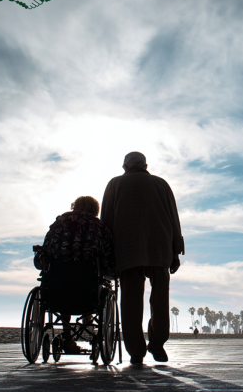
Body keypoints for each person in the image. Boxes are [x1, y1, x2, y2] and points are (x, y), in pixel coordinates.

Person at [101, 152, 184, 365]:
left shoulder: (115, 184)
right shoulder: (161, 184)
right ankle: (157, 343)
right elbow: (173, 217)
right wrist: (176, 249)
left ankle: (136, 350)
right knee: (160, 298)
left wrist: (107, 254)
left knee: (130, 301)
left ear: (124, 166)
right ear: (145, 165)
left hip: (128, 249)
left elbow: (107, 221)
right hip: (160, 247)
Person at [35, 195, 115, 355]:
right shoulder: (99, 226)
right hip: (86, 287)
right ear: (95, 210)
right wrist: (111, 273)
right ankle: (88, 324)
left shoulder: (57, 224)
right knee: (89, 282)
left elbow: (42, 257)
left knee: (64, 284)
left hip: (57, 286)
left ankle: (66, 336)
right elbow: (108, 257)